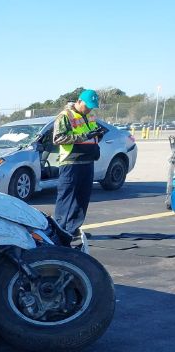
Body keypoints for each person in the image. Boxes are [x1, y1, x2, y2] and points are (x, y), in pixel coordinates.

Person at [52, 89, 106, 242]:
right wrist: (84, 136)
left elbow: (91, 137)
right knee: (66, 199)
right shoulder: (65, 116)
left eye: (92, 106)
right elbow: (58, 138)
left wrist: (97, 135)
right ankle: (59, 233)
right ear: (79, 101)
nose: (89, 109)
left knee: (82, 199)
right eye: (87, 105)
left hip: (87, 161)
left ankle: (73, 229)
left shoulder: (90, 116)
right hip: (71, 162)